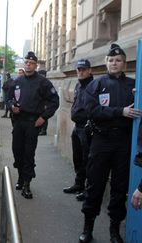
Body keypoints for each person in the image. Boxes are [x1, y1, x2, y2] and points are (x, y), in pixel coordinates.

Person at [79, 44, 142, 243]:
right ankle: (87, 228)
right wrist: (119, 111)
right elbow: (91, 110)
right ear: (106, 62)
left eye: (119, 60)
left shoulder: (134, 86)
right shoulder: (96, 85)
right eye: (111, 60)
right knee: (95, 185)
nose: (114, 63)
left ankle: (114, 230)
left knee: (119, 188)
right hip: (101, 142)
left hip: (124, 143)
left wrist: (137, 95)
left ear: (124, 63)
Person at [6, 51, 59, 199]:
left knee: (29, 153)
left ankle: (27, 184)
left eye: (31, 63)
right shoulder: (17, 81)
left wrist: (43, 117)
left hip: (32, 123)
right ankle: (20, 177)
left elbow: (55, 102)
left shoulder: (43, 82)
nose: (28, 64)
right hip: (18, 122)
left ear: (36, 65)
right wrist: (11, 107)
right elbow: (8, 99)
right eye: (26, 62)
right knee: (17, 152)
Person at [63, 59, 93, 202]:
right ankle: (79, 184)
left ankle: (87, 189)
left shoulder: (94, 86)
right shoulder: (78, 85)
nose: (80, 72)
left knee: (87, 159)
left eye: (83, 69)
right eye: (78, 70)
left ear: (89, 70)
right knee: (78, 158)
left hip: (86, 128)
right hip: (77, 127)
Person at [37, 70, 49, 136]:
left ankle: (44, 130)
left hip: (44, 103)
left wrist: (46, 104)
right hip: (39, 103)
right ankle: (40, 129)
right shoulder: (39, 82)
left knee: (44, 117)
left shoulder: (46, 83)